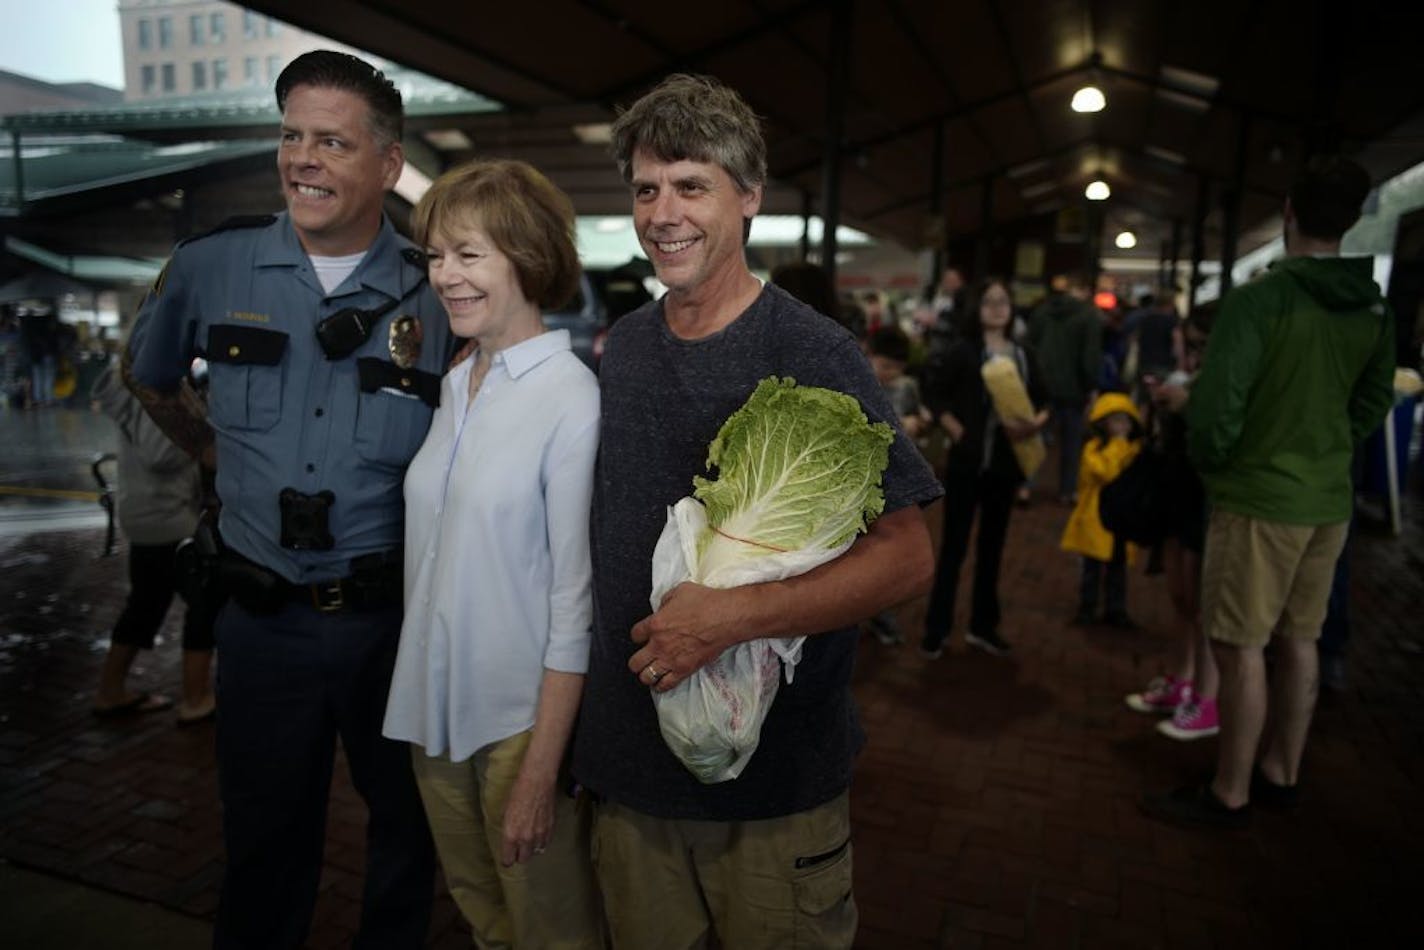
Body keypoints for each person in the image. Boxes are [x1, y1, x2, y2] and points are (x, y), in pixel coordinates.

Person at [571, 73, 942, 949]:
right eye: (647, 189)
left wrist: (733, 618)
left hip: (772, 791)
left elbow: (907, 556)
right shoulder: (621, 346)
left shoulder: (812, 349)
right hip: (630, 776)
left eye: (691, 185)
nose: (663, 212)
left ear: (748, 197)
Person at [125, 50, 448, 947]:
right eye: (291, 135)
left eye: (331, 142)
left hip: (393, 627)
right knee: (263, 848)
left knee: (406, 844)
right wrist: (216, 456)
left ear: (387, 165)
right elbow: (150, 378)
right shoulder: (211, 266)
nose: (302, 158)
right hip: (261, 622)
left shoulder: (441, 288)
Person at [382, 159, 604, 948]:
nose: (445, 275)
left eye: (469, 254)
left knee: (551, 933)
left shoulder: (570, 396)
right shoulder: (456, 382)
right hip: (431, 713)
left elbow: (575, 599)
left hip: (516, 723)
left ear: (528, 255)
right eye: (436, 256)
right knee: (486, 919)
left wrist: (542, 770)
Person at [1141, 155, 1395, 829]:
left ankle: (1231, 789)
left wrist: (1218, 465)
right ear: (1349, 219)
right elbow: (1376, 398)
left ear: (1288, 211)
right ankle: (1282, 771)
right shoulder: (1371, 305)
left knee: (1241, 644)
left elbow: (1217, 406)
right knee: (1300, 639)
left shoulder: (1261, 300)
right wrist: (1329, 443)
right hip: (1327, 498)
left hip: (1257, 497)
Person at [919, 276, 1049, 659]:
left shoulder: (1023, 354)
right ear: (976, 309)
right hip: (967, 463)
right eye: (989, 302)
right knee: (954, 547)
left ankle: (983, 626)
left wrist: (1036, 424)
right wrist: (955, 428)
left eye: (1003, 301)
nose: (997, 308)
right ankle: (936, 628)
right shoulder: (964, 351)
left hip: (1006, 465)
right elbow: (934, 392)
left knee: (994, 547)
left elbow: (1044, 398)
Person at [90, 358, 217, 725]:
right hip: (166, 517)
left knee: (146, 602)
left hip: (148, 512)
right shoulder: (157, 390)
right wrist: (200, 432)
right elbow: (161, 453)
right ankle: (196, 698)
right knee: (204, 602)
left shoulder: (141, 383)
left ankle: (110, 691)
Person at [1125, 309, 1220, 740]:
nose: (1192, 353)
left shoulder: (1221, 385)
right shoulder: (1186, 379)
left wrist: (1189, 405)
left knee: (1202, 605)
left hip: (1204, 497)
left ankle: (1206, 695)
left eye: (1200, 344)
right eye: (1189, 342)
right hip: (1176, 493)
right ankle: (1182, 680)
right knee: (1181, 597)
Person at [863, 324, 933, 646]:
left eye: (897, 368)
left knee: (885, 555)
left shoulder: (907, 387)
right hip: (863, 481)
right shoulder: (858, 382)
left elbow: (920, 415)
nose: (890, 374)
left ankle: (881, 614)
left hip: (895, 484)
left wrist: (920, 421)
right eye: (885, 365)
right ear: (870, 356)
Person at [1060, 392, 1143, 628]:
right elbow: (1106, 472)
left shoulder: (1133, 449)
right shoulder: (1092, 450)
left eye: (1125, 421)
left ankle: (1116, 610)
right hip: (1094, 519)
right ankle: (1087, 608)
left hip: (1121, 520)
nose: (1121, 426)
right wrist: (1118, 444)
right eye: (1115, 420)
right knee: (1091, 570)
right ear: (1103, 423)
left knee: (1117, 569)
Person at [1027, 272, 1103, 503]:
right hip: (1074, 389)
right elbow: (1090, 357)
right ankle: (1067, 490)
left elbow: (1030, 346)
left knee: (1034, 440)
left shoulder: (1041, 312)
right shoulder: (1089, 316)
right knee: (1071, 443)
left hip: (1041, 386)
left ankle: (1025, 486)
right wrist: (1091, 386)